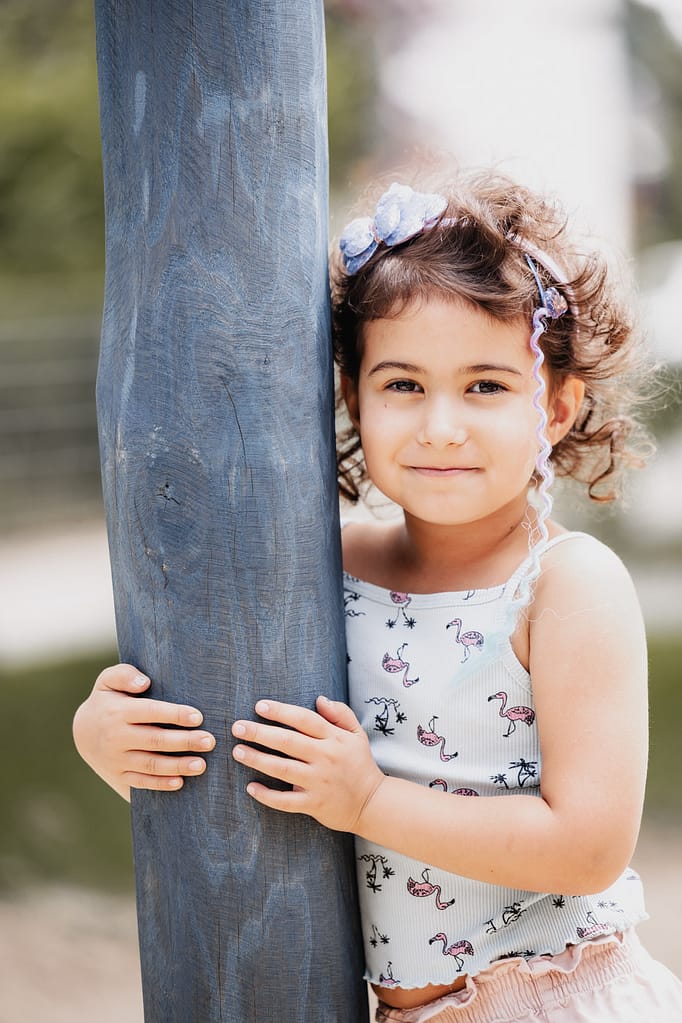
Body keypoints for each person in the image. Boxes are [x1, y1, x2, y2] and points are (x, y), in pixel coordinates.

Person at [73, 170, 682, 1021]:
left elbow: (587, 847)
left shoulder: (564, 585)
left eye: (485, 386)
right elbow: (264, 771)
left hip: (556, 998)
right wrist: (115, 743)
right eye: (402, 384)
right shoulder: (321, 569)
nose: (440, 424)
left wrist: (369, 801)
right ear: (353, 397)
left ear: (556, 407)